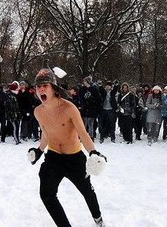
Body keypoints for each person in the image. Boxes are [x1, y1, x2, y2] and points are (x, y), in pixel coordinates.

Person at [28, 68, 106, 227]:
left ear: (54, 87)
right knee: (47, 195)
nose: (41, 89)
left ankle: (98, 219)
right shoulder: (38, 112)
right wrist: (39, 150)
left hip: (74, 158)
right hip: (54, 157)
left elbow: (83, 134)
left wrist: (93, 152)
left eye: (45, 85)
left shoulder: (69, 108)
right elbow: (46, 133)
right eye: (38, 87)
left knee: (87, 191)